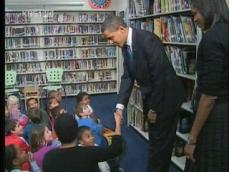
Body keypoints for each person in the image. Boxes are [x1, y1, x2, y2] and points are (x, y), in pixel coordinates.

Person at [102, 15, 186, 172]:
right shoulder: (125, 48)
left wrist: (154, 108)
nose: (110, 42)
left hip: (165, 99)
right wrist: (120, 106)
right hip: (152, 97)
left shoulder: (147, 40)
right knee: (155, 142)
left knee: (161, 145)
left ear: (121, 29)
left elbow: (159, 76)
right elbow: (128, 77)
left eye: (110, 37)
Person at [184, 0, 228, 172]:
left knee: (206, 163)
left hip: (215, 117)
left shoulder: (211, 40)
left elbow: (209, 96)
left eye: (196, 13)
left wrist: (192, 138)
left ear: (208, 9)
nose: (194, 19)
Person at [43, 113, 124, 172]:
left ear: (56, 134)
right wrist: (118, 124)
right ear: (76, 132)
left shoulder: (48, 158)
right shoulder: (90, 152)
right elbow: (116, 149)